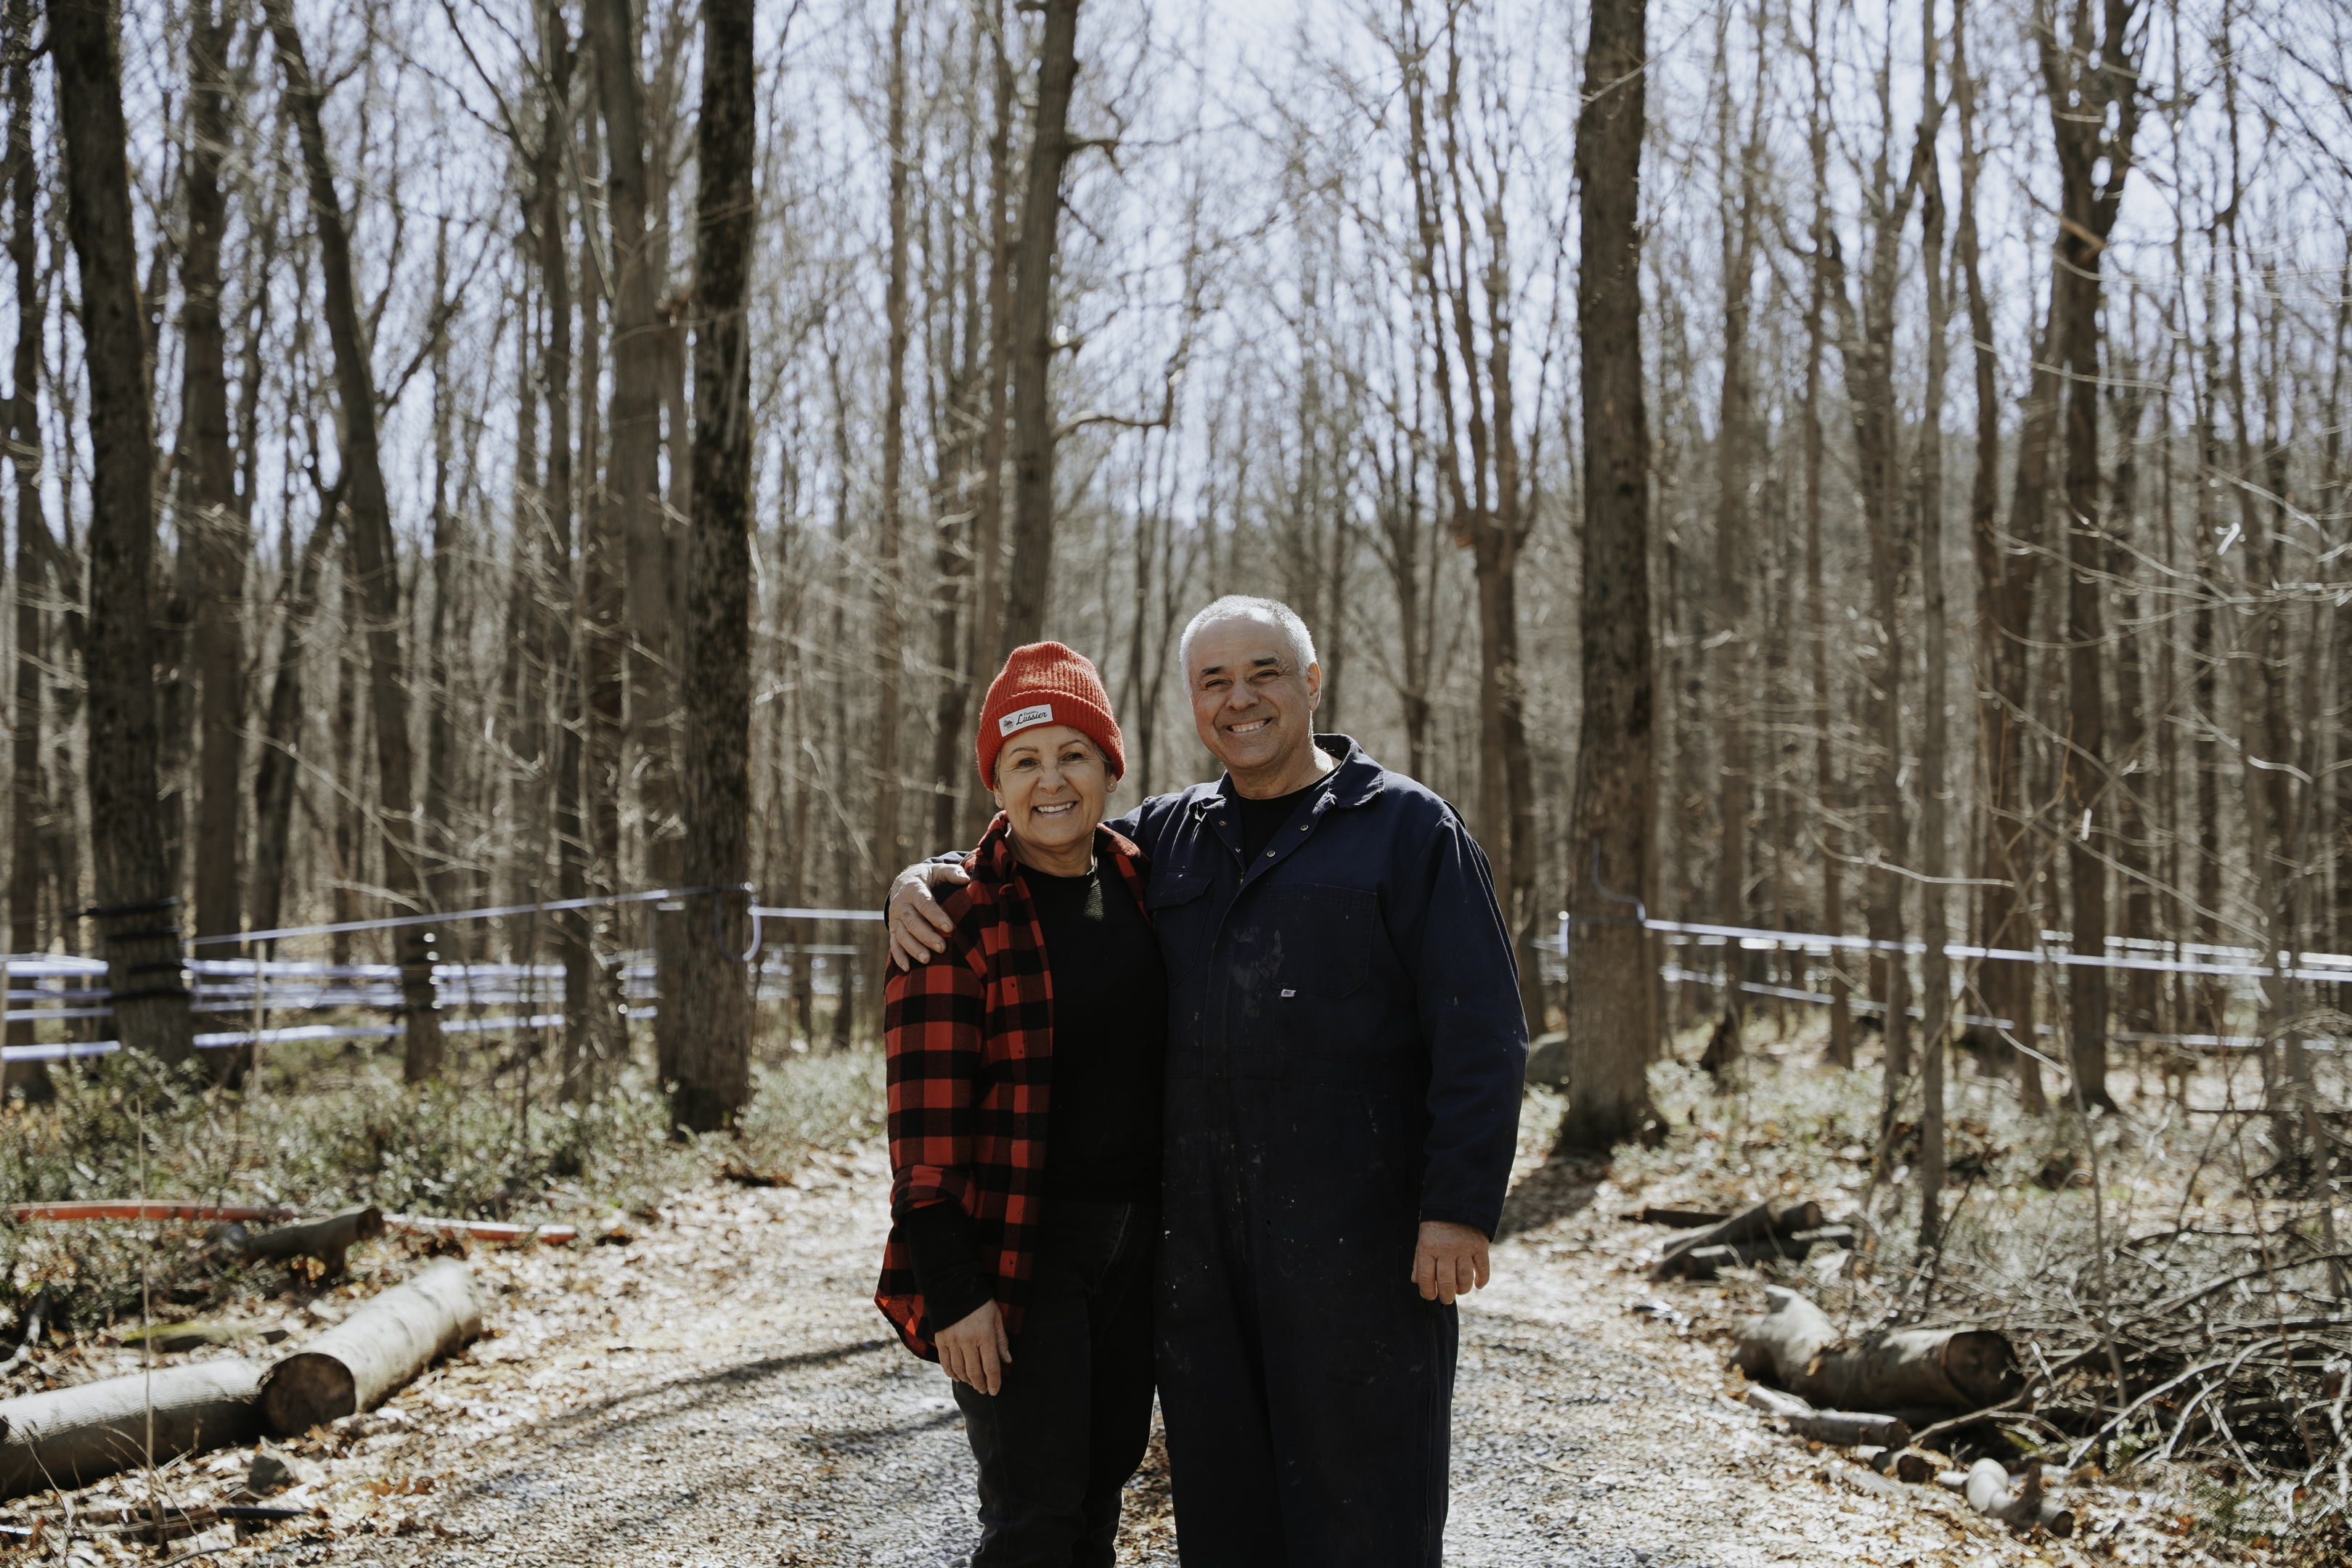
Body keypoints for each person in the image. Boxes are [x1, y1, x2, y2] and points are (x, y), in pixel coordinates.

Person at [889, 596, 1527, 1567]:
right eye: (1213, 682)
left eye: (1263, 672)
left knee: (1370, 1511)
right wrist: (924, 877)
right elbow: (1042, 839)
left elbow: (1483, 1031)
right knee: (1225, 1519)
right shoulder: (1172, 839)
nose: (1240, 700)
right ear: (1191, 703)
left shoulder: (1406, 832)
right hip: (1197, 1267)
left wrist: (1461, 1206)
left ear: (1311, 683)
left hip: (1363, 1254)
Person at [873, 642, 1167, 1568]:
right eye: (1024, 760)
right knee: (1033, 1515)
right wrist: (957, 1294)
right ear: (994, 782)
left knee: (1097, 1496)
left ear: (1109, 769)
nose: (1052, 781)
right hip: (1019, 1251)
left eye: (1074, 755)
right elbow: (922, 1140)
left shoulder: (1147, 882)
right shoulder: (953, 916)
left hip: (1140, 1248)